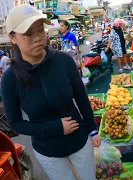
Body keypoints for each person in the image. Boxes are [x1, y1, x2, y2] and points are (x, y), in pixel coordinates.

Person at [2, 4, 100, 180]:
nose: (38, 38)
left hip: (80, 141)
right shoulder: (10, 78)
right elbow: (15, 123)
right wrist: (55, 127)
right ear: (13, 37)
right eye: (28, 34)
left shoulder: (64, 61)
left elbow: (81, 97)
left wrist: (92, 130)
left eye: (40, 30)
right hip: (48, 151)